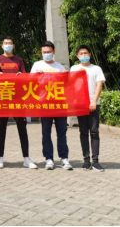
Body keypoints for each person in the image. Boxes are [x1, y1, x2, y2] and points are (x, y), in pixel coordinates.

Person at [0, 36, 37, 169]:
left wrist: (21, 76)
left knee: (22, 129)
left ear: (14, 46)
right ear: (2, 46)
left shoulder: (19, 60)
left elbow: (24, 77)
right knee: (1, 129)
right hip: (3, 98)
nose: (8, 45)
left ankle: (26, 158)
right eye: (5, 43)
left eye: (10, 43)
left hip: (18, 99)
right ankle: (0, 158)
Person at [30, 41, 72, 171]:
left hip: (59, 103)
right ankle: (49, 158)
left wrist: (66, 76)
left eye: (48, 52)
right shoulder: (37, 65)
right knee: (46, 132)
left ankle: (64, 158)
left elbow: (66, 85)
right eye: (44, 52)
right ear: (41, 53)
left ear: (54, 52)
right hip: (44, 104)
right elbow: (29, 82)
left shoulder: (59, 67)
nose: (46, 54)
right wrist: (36, 76)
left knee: (62, 132)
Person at [70, 45, 106, 172]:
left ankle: (95, 161)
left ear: (90, 54)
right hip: (80, 104)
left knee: (94, 132)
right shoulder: (74, 68)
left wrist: (94, 101)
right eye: (81, 54)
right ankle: (86, 161)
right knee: (83, 132)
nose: (83, 55)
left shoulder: (96, 69)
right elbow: (70, 84)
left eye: (85, 53)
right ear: (77, 56)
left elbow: (99, 85)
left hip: (94, 104)